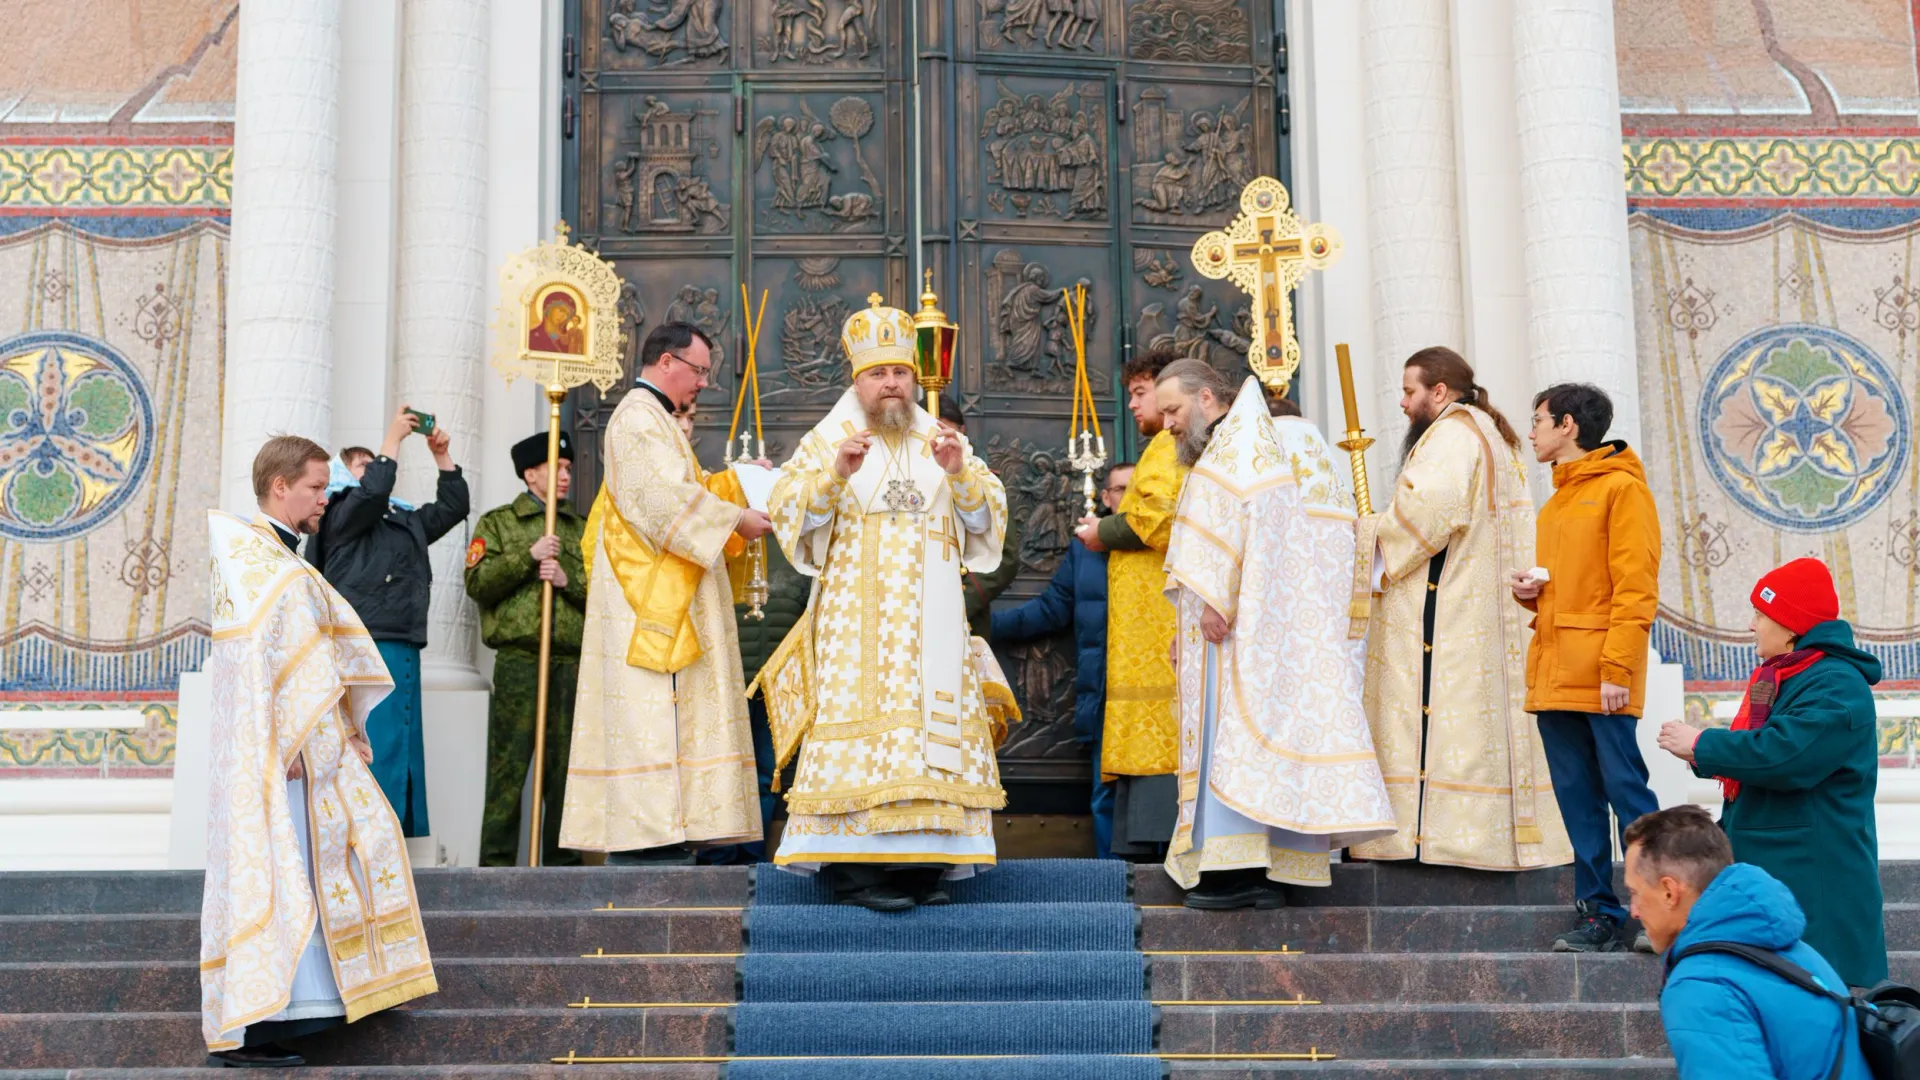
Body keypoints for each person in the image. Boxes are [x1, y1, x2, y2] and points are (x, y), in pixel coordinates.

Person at [762, 295, 1009, 910]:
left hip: (934, 621)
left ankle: (924, 866)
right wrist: (833, 477)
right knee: (863, 736)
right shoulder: (828, 442)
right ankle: (857, 872)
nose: (892, 383)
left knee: (929, 736)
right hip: (857, 624)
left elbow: (988, 522)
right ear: (858, 381)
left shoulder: (943, 439)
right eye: (878, 373)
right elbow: (787, 513)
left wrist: (960, 474)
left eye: (900, 371)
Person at [201, 437, 436, 1067]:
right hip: (286, 759)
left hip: (315, 744)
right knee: (288, 880)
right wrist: (289, 738)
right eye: (314, 487)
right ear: (280, 486)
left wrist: (341, 724)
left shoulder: (279, 560)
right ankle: (262, 1025)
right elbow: (259, 669)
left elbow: (304, 653)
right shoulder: (257, 563)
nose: (324, 499)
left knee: (358, 851)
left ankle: (349, 990)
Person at [1155, 361, 1396, 908]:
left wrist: (1212, 597)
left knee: (1234, 737)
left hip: (1237, 630)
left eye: (1173, 409)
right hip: (1262, 626)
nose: (1165, 423)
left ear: (1207, 397)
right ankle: (1277, 867)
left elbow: (1242, 527)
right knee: (1263, 737)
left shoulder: (1240, 443)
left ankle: (1233, 869)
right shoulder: (1257, 443)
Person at [1352, 346, 1572, 871]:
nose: (1403, 404)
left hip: (1447, 611)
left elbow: (1425, 517)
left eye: (1409, 391)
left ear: (1439, 392)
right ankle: (1469, 835)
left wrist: (1359, 533)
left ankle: (1435, 837)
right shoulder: (1487, 432)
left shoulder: (1451, 435)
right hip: (1477, 608)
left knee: (1440, 715)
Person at [560, 322, 773, 861]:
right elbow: (661, 504)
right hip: (648, 603)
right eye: (700, 371)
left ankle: (676, 834)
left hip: (669, 592)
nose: (704, 383)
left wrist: (740, 483)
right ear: (667, 363)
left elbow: (687, 490)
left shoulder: (656, 419)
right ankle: (651, 841)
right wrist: (735, 522)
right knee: (651, 718)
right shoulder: (637, 418)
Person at [1656, 558, 1887, 989]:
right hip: (1778, 873)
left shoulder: (1836, 683)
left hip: (1815, 884)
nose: (1751, 625)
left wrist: (1703, 744)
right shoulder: (1787, 675)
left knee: (1812, 1015)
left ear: (1790, 625)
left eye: (1761, 615)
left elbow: (1785, 755)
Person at [1509, 383, 1661, 953]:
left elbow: (1636, 588)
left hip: (1603, 673)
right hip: (1555, 672)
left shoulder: (1622, 491)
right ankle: (1598, 914)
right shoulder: (1557, 502)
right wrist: (1530, 594)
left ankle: (1664, 913)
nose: (1532, 431)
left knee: (1629, 794)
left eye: (1538, 420)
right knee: (1577, 800)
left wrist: (1618, 669)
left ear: (1567, 425)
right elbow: (1571, 590)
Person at [307, 405, 471, 837]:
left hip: (402, 640)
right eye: (362, 466)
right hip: (364, 640)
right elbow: (375, 490)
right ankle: (363, 837)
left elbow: (455, 506)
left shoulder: (402, 517)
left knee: (397, 744)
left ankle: (389, 839)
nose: (375, 471)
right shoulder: (340, 513)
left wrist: (441, 455)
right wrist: (393, 439)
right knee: (373, 741)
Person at [1625, 805, 1871, 1080]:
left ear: (1670, 892)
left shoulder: (1703, 984)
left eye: (1634, 892)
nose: (1633, 910)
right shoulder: (1789, 948)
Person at [1077, 347, 1186, 858]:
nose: (1137, 407)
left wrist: (1104, 530)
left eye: (1141, 394)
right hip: (1143, 621)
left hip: (1160, 619)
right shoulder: (1163, 445)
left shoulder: (1170, 444)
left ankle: (1154, 835)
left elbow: (1159, 519)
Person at [992, 462, 1130, 859]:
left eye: (1138, 490)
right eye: (1119, 489)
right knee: (1106, 787)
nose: (1127, 497)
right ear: (1105, 498)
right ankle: (1112, 878)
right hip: (1103, 685)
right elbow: (1053, 609)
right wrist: (985, 624)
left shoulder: (1166, 539)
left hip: (1159, 685)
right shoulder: (1085, 551)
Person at [465, 431, 588, 867]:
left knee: (565, 771)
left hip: (568, 663)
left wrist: (566, 581)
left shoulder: (580, 528)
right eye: (557, 467)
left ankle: (562, 867)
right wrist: (528, 556)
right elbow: (478, 583)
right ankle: (496, 866)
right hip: (520, 662)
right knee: (508, 767)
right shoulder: (499, 523)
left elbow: (606, 597)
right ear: (530, 473)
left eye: (569, 468)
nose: (565, 476)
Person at [943, 409, 1023, 636]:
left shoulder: (986, 483)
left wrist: (956, 607)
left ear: (962, 432)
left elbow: (1004, 558)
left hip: (963, 615)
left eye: (948, 430)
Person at [529, 290, 584, 355]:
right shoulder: (532, 336)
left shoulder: (568, 337)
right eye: (561, 310)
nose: (563, 316)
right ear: (548, 307)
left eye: (567, 314)